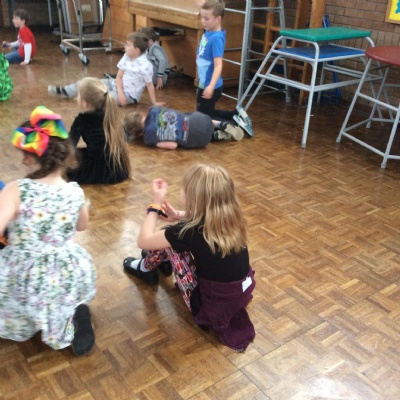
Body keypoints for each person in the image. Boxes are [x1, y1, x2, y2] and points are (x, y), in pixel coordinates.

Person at [123, 163, 256, 351]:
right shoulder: (232, 218)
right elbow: (206, 216)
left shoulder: (189, 232)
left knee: (168, 238)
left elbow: (143, 241)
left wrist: (155, 205)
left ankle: (146, 267)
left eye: (183, 188)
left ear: (194, 198)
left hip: (208, 310)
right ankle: (161, 259)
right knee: (172, 238)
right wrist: (178, 215)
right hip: (239, 295)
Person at [0, 106, 97, 356]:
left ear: (30, 158)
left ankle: (30, 317)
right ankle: (74, 314)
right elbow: (82, 226)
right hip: (62, 272)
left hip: (25, 272)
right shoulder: (75, 191)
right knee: (58, 298)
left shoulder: (16, 190)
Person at [48, 32, 165, 107]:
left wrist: (154, 102)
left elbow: (149, 85)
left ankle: (85, 97)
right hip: (115, 84)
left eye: (128, 45)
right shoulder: (126, 56)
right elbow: (119, 76)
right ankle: (65, 91)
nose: (125, 46)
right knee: (88, 82)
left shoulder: (146, 66)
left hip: (129, 96)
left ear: (137, 50)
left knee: (102, 98)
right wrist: (119, 90)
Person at [196, 0, 254, 137]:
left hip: (210, 85)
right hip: (204, 83)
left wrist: (210, 86)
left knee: (203, 119)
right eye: (201, 17)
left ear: (218, 19)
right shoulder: (210, 30)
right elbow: (203, 5)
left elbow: (218, 65)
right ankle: (235, 115)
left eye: (206, 18)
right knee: (203, 114)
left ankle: (234, 125)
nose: (203, 21)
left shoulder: (216, 38)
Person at [67, 77, 131, 184]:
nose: (76, 98)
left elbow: (70, 144)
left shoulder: (82, 119)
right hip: (116, 169)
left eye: (78, 95)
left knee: (69, 164)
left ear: (85, 103)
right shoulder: (110, 114)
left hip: (96, 169)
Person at [123, 106, 244, 149]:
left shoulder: (149, 139)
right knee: (186, 116)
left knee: (186, 135)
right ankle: (219, 124)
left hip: (201, 140)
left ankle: (214, 136)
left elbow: (173, 145)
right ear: (141, 114)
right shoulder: (153, 109)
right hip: (201, 119)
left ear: (139, 134)